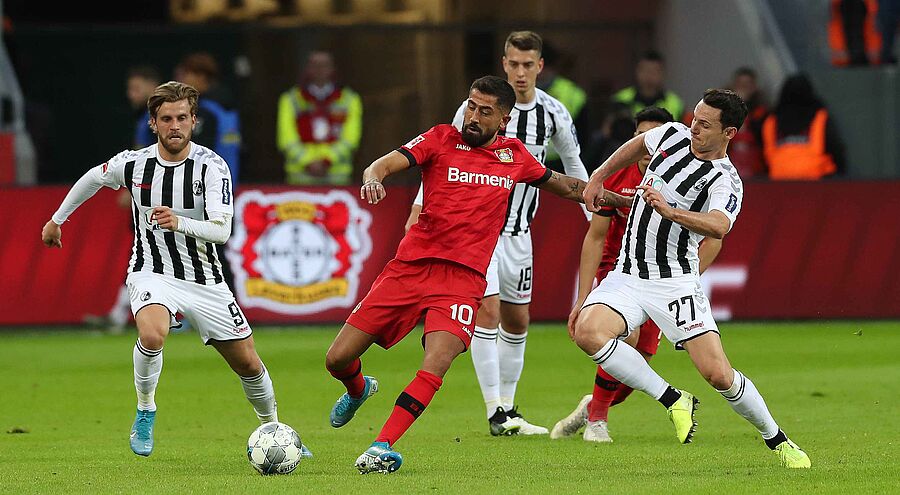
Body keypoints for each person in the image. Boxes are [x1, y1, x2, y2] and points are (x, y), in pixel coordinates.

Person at [324, 75, 626, 474]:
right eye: (471, 106)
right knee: (337, 359)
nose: (473, 116)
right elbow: (385, 163)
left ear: (503, 119)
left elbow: (569, 187)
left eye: (485, 111)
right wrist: (372, 177)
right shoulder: (440, 139)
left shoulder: (514, 156)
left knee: (437, 361)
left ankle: (382, 445)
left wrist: (624, 201)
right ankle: (359, 388)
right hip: (410, 268)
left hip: (463, 281)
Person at [40, 81, 306, 459]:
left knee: (248, 362)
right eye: (166, 119)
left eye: (182, 118)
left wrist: (179, 222)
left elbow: (221, 230)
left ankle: (274, 427)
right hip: (151, 270)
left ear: (194, 120)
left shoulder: (212, 167)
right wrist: (57, 219)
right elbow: (93, 178)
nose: (175, 126)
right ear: (153, 123)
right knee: (152, 334)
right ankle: (145, 410)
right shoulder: (134, 163)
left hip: (205, 278)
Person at [574, 89, 811, 468]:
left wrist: (671, 212)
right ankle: (673, 399)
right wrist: (598, 176)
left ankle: (778, 439)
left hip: (675, 283)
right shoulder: (672, 135)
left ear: (729, 133)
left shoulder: (725, 180)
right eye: (694, 118)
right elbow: (637, 145)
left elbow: (719, 225)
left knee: (718, 374)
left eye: (704, 124)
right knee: (588, 331)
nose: (694, 128)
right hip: (628, 273)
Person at [405, 31, 590, 436]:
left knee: (517, 320)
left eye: (528, 65)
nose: (520, 73)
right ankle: (496, 412)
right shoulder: (473, 110)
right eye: (514, 64)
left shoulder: (554, 113)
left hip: (520, 233)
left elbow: (573, 166)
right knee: (486, 312)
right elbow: (441, 159)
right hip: (475, 234)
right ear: (504, 63)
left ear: (540, 66)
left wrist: (593, 215)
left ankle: (508, 407)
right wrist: (419, 207)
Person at [551, 107, 722, 443]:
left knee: (636, 365)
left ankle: (591, 406)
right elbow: (595, 237)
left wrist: (683, 280)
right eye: (640, 136)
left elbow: (714, 239)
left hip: (663, 276)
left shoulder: (691, 179)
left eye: (653, 136)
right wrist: (582, 297)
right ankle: (597, 421)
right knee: (623, 339)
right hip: (619, 271)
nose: (646, 144)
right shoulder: (619, 177)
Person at [277, 50, 363, 185]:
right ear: (308, 69)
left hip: (337, 179)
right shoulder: (291, 99)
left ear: (332, 69)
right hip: (300, 179)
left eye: (324, 65)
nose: (320, 70)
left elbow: (351, 139)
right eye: (315, 65)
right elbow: (286, 138)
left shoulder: (349, 99)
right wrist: (307, 161)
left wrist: (327, 160)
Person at [761, 74, 845, 180]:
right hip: (818, 178)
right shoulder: (821, 117)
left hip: (780, 178)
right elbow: (835, 148)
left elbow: (766, 154)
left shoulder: (771, 121)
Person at [537, 41, 589, 171]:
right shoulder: (514, 92)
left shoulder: (573, 93)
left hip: (561, 163)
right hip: (525, 160)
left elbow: (584, 135)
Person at [612, 51, 684, 121]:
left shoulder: (676, 104)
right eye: (645, 70)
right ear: (637, 71)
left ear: (663, 74)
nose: (649, 76)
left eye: (654, 71)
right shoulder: (621, 100)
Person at [727, 67, 768, 179]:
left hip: (757, 172)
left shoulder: (762, 114)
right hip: (729, 172)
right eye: (740, 85)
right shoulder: (722, 113)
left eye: (747, 85)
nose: (743, 88)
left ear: (754, 88)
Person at [127, 66, 161, 149]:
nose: (130, 95)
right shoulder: (144, 116)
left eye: (136, 89)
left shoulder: (161, 117)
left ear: (152, 86)